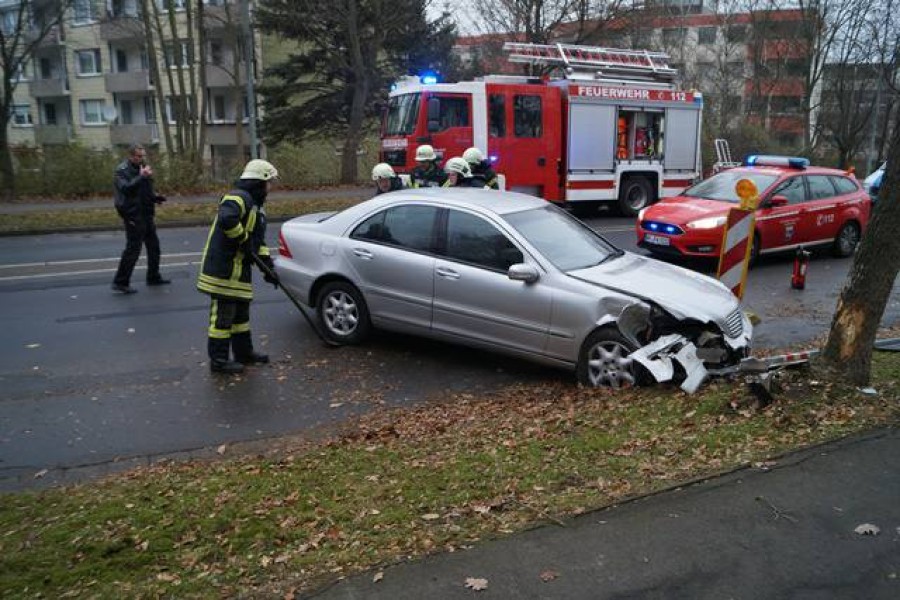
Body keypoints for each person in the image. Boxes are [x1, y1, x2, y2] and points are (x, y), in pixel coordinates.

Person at [197, 159, 280, 374]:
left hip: (238, 271)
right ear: (259, 181)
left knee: (240, 317)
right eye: (269, 182)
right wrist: (242, 239)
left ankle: (244, 353)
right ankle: (219, 361)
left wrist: (268, 269)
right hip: (223, 270)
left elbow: (258, 244)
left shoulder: (257, 209)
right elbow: (227, 219)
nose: (271, 187)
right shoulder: (239, 197)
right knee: (223, 318)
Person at [111, 144, 169, 293]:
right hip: (133, 215)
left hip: (146, 214)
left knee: (154, 247)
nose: (141, 158)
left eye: (143, 155)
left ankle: (153, 277)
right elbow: (126, 189)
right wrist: (141, 177)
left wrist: (156, 198)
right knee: (133, 249)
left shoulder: (142, 168)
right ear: (131, 156)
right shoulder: (122, 171)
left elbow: (145, 191)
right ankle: (120, 282)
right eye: (138, 156)